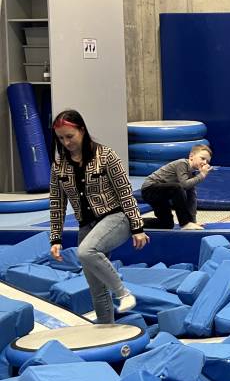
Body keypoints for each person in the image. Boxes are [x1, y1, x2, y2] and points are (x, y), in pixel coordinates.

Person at [49, 109, 147, 322]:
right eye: (61, 138)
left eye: (70, 136)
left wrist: (137, 227)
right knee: (96, 287)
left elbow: (124, 191)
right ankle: (106, 328)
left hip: (115, 218)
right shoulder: (59, 166)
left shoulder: (105, 155)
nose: (66, 142)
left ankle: (123, 292)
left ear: (82, 130)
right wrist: (55, 238)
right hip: (87, 225)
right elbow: (57, 203)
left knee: (85, 251)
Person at [141, 144, 212, 230]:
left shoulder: (191, 173)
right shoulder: (182, 163)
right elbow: (184, 185)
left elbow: (191, 197)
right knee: (177, 188)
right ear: (191, 156)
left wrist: (193, 221)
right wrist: (202, 175)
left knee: (166, 224)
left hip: (162, 194)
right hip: (150, 189)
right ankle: (184, 223)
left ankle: (138, 222)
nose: (205, 162)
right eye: (202, 158)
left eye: (207, 161)